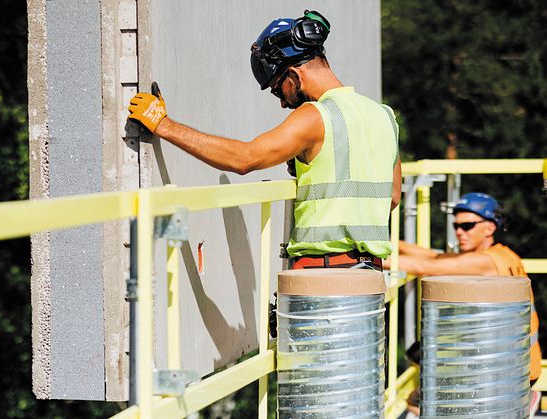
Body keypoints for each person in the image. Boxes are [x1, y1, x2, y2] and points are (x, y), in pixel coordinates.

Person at [128, 10, 402, 270]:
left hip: (323, 281)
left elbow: (245, 158)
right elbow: (391, 197)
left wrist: (164, 125)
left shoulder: (314, 116)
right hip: (370, 282)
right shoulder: (384, 116)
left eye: (277, 89)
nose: (283, 103)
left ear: (294, 74)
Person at [386, 192, 541, 417]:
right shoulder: (501, 255)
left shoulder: (485, 262)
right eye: (456, 225)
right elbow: (433, 258)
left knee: (419, 395)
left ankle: (519, 400)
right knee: (423, 352)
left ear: (489, 228)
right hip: (516, 362)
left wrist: (361, 259)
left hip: (511, 373)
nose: (459, 232)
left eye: (467, 225)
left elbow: (426, 266)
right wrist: (382, 242)